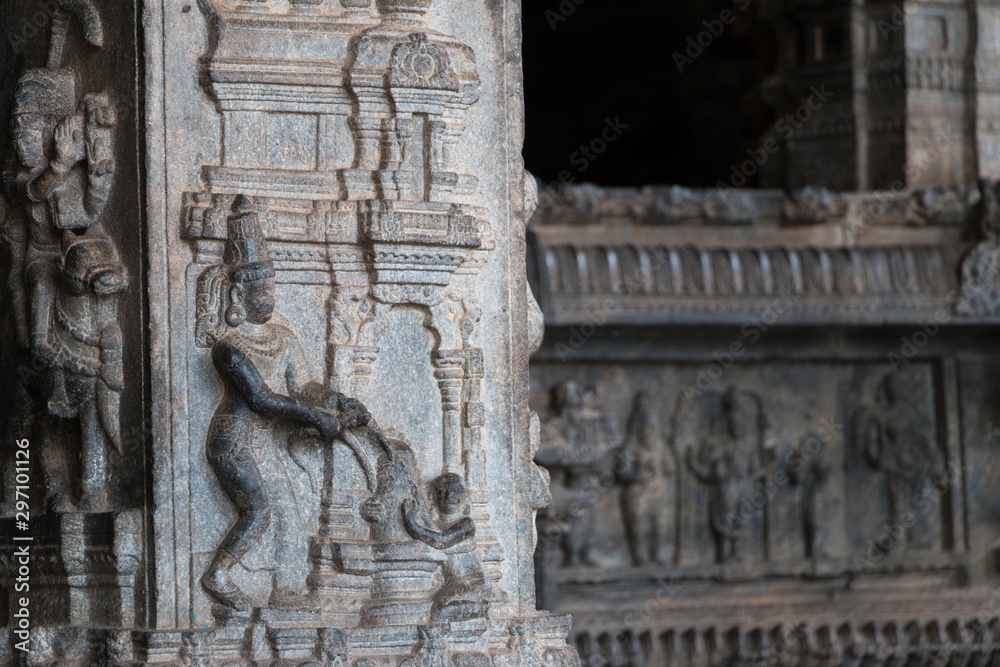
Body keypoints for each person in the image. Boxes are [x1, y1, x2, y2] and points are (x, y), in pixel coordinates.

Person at [201, 195, 369, 611]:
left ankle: (287, 592)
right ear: (239, 294)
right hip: (233, 442)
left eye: (270, 286)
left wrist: (337, 400)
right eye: (259, 289)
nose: (267, 295)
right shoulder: (229, 347)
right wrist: (317, 418)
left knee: (291, 515)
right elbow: (261, 399)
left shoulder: (283, 337)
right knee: (258, 512)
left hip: (264, 441)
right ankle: (217, 573)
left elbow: (304, 384)